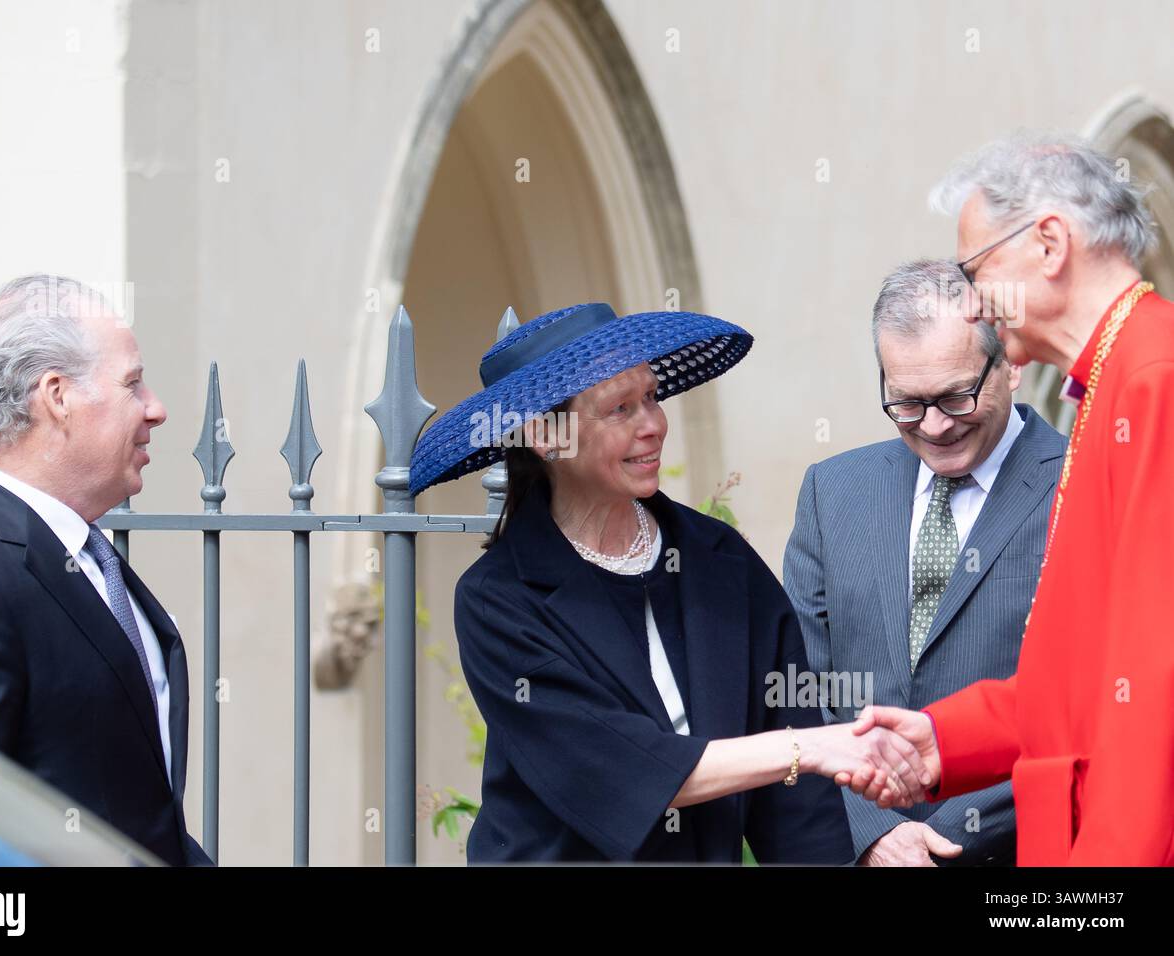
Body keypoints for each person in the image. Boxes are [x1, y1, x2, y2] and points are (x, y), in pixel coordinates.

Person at [408, 301, 930, 863]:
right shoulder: (499, 600)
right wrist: (809, 747)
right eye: (620, 409)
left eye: (652, 397)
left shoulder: (718, 558)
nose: (653, 424)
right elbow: (624, 771)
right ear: (545, 435)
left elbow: (796, 799)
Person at [848, 134, 1174, 865]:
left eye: (976, 268)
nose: (971, 304)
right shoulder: (1112, 380)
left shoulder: (1154, 376)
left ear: (1050, 243)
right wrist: (943, 738)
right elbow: (1081, 679)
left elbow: (1156, 683)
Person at [0, 274, 210, 866]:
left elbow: (136, 811)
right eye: (133, 384)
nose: (155, 409)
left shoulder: (87, 556)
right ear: (57, 396)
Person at [784, 258, 1065, 866]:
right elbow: (797, 689)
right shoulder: (833, 492)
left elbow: (1087, 700)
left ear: (1011, 364)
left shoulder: (1086, 481)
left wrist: (950, 841)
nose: (935, 427)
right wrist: (874, 832)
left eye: (955, 397)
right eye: (907, 403)